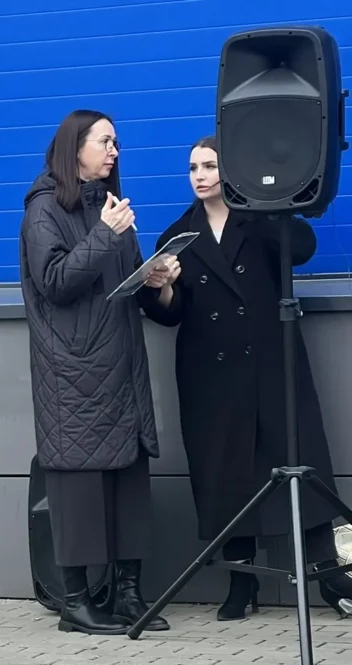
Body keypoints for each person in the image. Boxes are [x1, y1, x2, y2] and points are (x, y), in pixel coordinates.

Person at [139, 136, 352, 620]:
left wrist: (265, 205)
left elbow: (303, 248)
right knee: (225, 472)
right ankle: (241, 581)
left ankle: (327, 573)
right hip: (211, 374)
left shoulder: (258, 221)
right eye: (193, 167)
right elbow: (169, 314)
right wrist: (164, 287)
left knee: (298, 460)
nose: (199, 176)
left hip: (271, 364)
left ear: (230, 170)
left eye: (209, 165)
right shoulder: (178, 236)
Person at [20, 109, 168, 636]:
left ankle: (128, 594)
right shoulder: (43, 210)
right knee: (78, 492)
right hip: (73, 375)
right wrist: (106, 234)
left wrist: (156, 278)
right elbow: (56, 281)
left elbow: (121, 286)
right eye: (104, 141)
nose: (114, 151)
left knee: (129, 484)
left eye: (116, 143)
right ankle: (76, 602)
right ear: (74, 147)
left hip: (122, 368)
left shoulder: (109, 208)